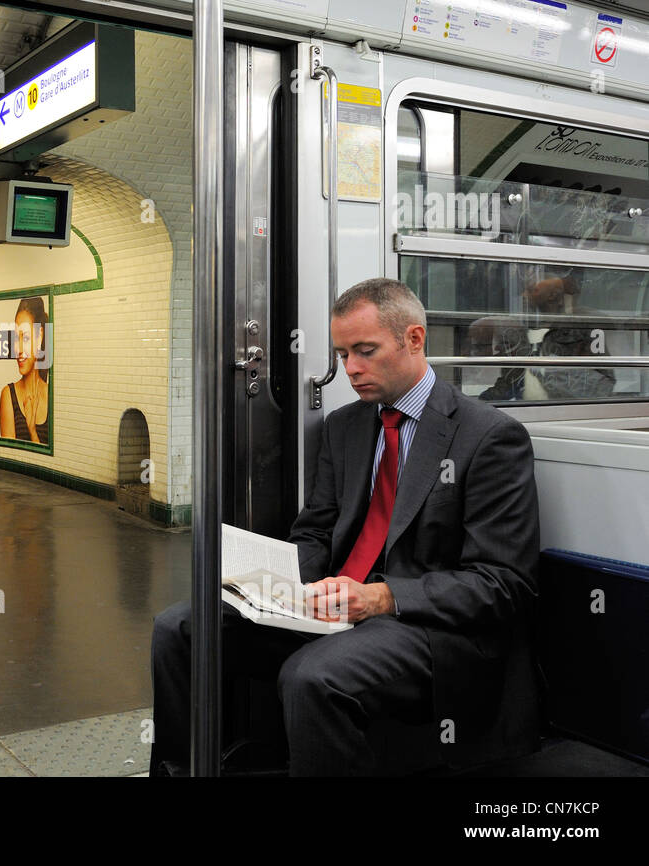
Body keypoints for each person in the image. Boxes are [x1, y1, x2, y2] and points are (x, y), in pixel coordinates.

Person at [150, 277, 541, 776]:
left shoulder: (488, 437)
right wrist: (275, 587)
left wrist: (380, 597)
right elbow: (316, 531)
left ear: (414, 339)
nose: (351, 369)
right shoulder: (347, 426)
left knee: (312, 675)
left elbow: (504, 585)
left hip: (426, 625)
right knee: (181, 627)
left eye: (365, 351)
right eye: (341, 354)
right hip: (334, 605)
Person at [0, 296, 50, 445]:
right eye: (16, 338)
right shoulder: (8, 395)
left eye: (25, 338)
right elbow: (9, 457)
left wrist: (32, 429)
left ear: (39, 337)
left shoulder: (51, 396)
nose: (18, 349)